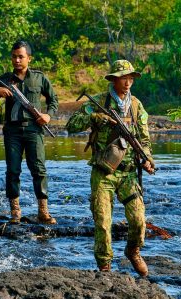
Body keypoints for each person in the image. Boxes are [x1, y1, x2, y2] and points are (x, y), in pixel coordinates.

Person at [66, 60, 155, 276]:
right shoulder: (98, 102)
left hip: (128, 173)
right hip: (104, 172)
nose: (128, 82)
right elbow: (71, 126)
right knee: (103, 223)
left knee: (138, 219)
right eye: (124, 77)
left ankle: (133, 251)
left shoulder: (136, 105)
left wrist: (147, 158)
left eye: (131, 78)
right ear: (114, 79)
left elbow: (144, 139)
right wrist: (95, 118)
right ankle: (104, 268)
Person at [0, 40, 58, 224]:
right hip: (12, 131)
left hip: (34, 129)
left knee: (39, 169)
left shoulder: (39, 78)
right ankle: (15, 211)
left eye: (21, 57)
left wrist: (48, 116)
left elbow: (53, 101)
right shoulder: (4, 79)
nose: (17, 60)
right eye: (14, 57)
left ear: (29, 58)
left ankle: (43, 211)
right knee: (13, 170)